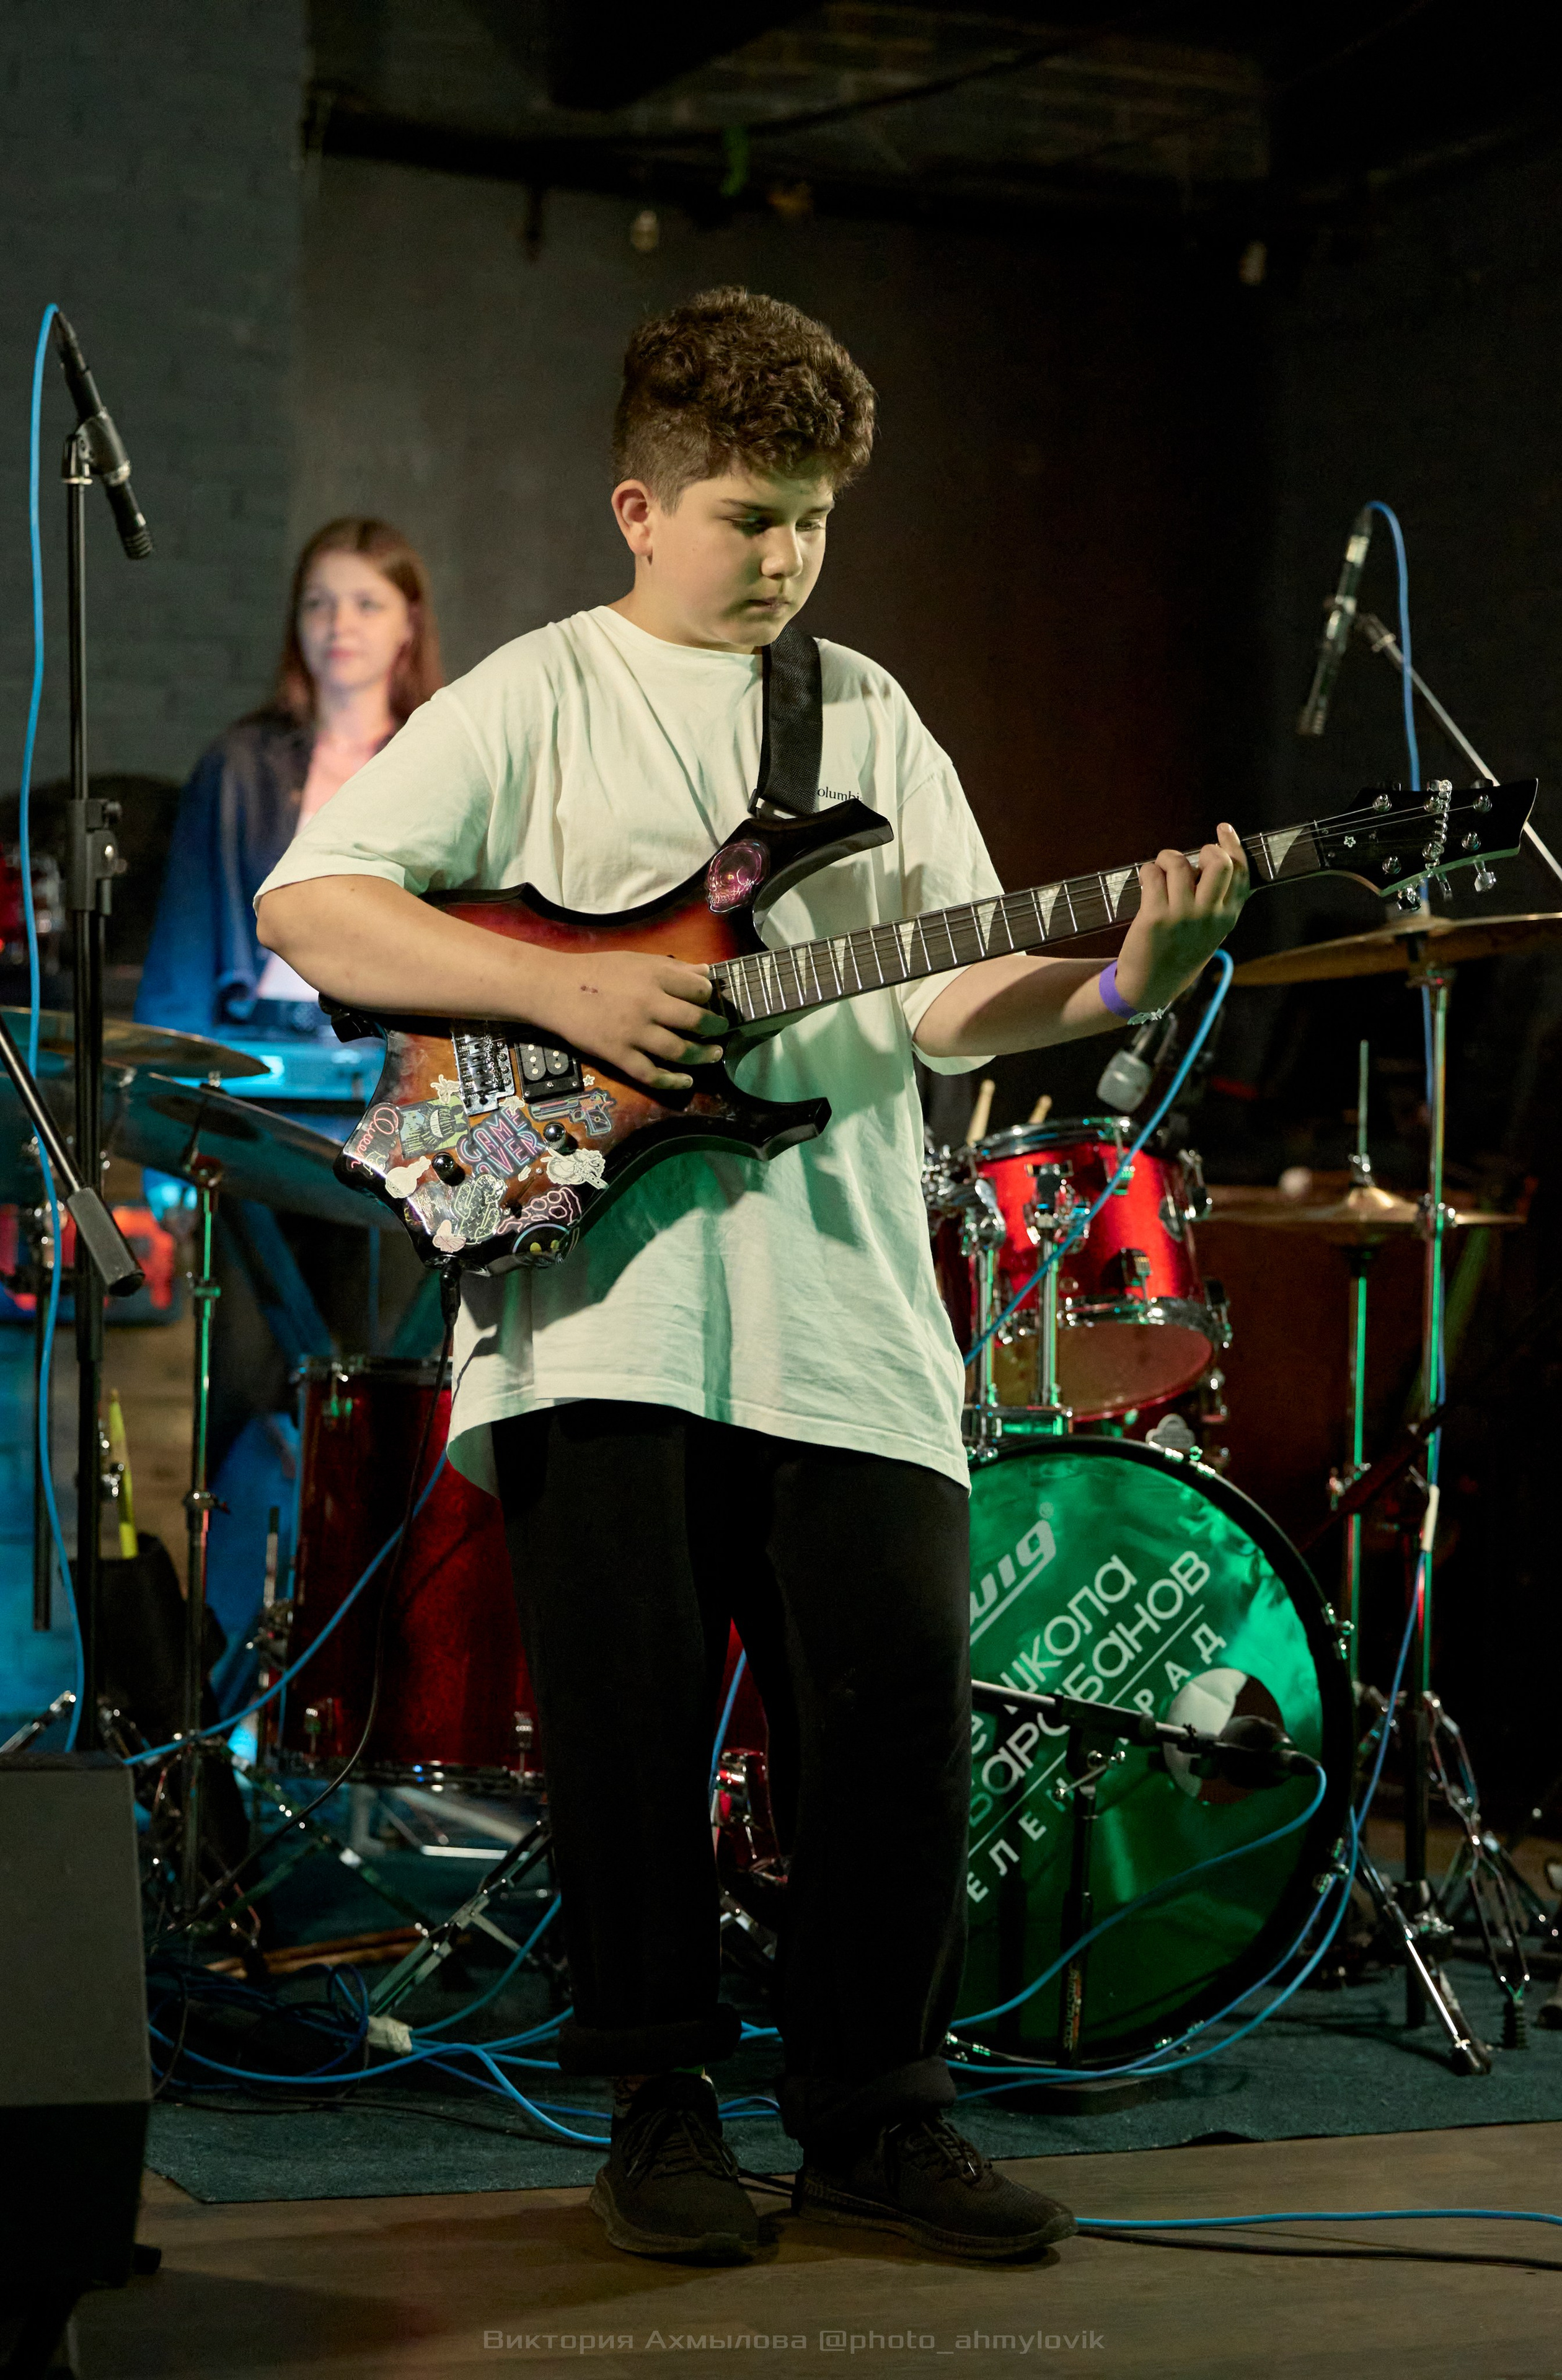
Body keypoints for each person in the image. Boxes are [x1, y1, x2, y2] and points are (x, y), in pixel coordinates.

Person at [255, 288, 1248, 2265]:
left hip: (849, 1305)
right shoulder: (535, 692)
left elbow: (953, 987)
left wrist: (1123, 966)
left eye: (808, 521)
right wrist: (561, 984)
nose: (783, 557)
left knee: (886, 1711)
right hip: (599, 1296)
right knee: (623, 1725)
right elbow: (317, 905)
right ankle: (655, 2103)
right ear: (639, 504)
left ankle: (878, 2111)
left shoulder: (865, 713)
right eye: (744, 517)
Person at [136, 517, 443, 1034]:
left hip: (397, 1044)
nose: (339, 624)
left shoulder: (442, 763)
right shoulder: (237, 761)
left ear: (409, 624)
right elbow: (182, 948)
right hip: (255, 1038)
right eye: (318, 602)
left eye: (367, 604)